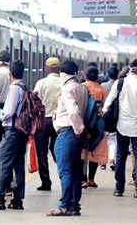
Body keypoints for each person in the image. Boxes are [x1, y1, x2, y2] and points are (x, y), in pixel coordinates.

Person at [0, 61, 27, 211]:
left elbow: (8, 112)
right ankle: (17, 199)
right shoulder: (23, 87)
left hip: (12, 131)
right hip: (21, 132)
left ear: (10, 74)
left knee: (3, 163)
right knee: (18, 165)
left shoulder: (14, 88)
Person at [47, 61, 88, 217]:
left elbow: (73, 111)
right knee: (76, 170)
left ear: (63, 73)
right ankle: (74, 205)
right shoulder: (82, 88)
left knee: (65, 170)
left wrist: (78, 129)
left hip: (67, 133)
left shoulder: (67, 89)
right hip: (77, 136)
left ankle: (64, 205)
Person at [103, 59, 137, 198]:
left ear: (130, 69)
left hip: (122, 125)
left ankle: (119, 188)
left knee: (120, 156)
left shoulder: (120, 82)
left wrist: (104, 113)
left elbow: (108, 103)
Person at [33, 57, 62, 191]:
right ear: (59, 68)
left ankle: (46, 182)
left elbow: (34, 99)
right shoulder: (63, 82)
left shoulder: (41, 83)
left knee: (41, 151)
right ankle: (63, 176)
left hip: (43, 121)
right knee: (59, 150)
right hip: (59, 121)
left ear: (47, 68)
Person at [81, 67, 108, 187]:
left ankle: (83, 179)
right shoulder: (102, 89)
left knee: (82, 152)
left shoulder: (82, 87)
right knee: (95, 151)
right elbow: (106, 108)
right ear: (97, 77)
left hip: (83, 122)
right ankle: (91, 179)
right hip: (97, 125)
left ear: (86, 75)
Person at [102, 67, 119, 171]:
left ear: (108, 74)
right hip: (116, 115)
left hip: (104, 114)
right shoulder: (120, 85)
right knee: (113, 139)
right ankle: (112, 160)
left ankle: (103, 162)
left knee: (103, 139)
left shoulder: (103, 86)